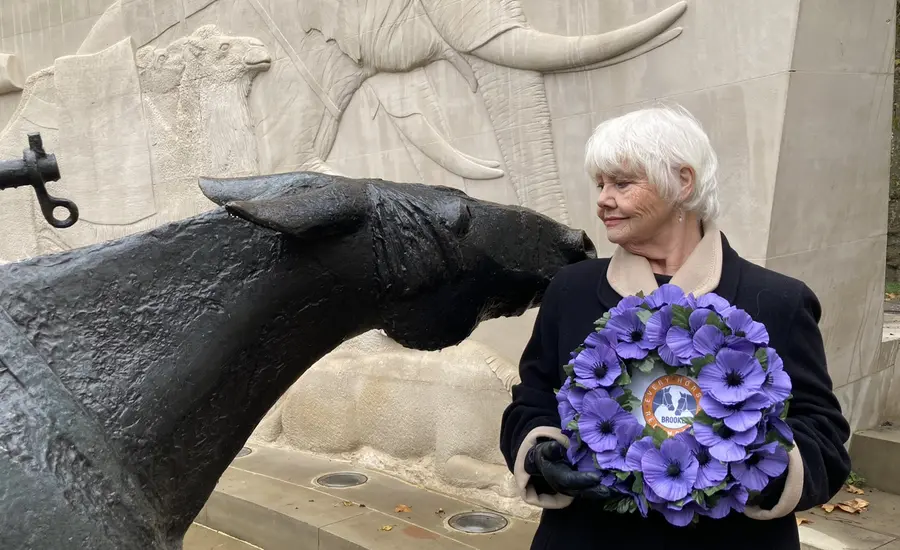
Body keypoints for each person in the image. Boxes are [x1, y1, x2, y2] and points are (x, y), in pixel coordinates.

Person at [499, 104, 851, 550]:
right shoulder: (570, 290)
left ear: (684, 182)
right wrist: (540, 452)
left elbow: (824, 434)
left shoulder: (780, 300)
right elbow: (532, 398)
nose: (603, 199)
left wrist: (760, 471)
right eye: (600, 184)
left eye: (622, 183)